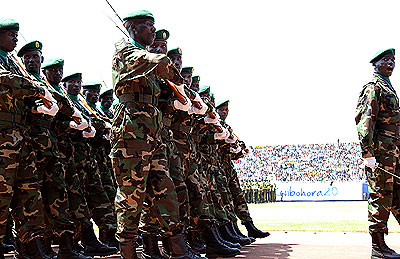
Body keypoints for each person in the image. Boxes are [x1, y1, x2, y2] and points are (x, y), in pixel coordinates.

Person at [111, 10, 195, 258]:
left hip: (153, 131)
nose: (151, 30)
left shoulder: (147, 58)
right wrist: (177, 80)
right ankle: (128, 251)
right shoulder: (125, 50)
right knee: (131, 194)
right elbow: (157, 62)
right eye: (146, 25)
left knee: (165, 190)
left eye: (152, 25)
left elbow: (164, 94)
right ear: (130, 27)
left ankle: (178, 250)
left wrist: (182, 99)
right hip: (131, 131)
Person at [355, 48, 400, 259]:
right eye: (386, 60)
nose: (391, 63)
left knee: (398, 197)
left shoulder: (388, 87)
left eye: (393, 60)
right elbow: (366, 120)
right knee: (381, 196)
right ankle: (378, 247)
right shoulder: (373, 87)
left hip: (394, 152)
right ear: (376, 64)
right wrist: (367, 153)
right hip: (381, 153)